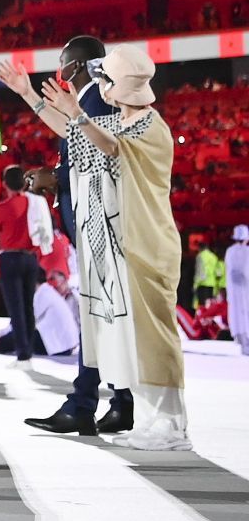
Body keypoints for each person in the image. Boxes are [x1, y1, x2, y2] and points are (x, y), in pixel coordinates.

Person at [25, 48, 186, 448]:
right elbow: (84, 143)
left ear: (120, 87)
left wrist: (76, 114)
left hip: (146, 244)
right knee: (138, 339)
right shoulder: (130, 120)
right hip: (128, 246)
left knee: (155, 338)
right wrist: (45, 105)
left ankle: (170, 424)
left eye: (107, 80)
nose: (102, 86)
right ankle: (153, 420)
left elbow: (110, 148)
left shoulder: (148, 127)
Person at [0, 40, 135, 434]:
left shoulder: (95, 97)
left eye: (61, 65)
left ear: (74, 66)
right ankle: (116, 400)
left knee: (98, 315)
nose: (57, 72)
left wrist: (57, 177)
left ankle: (85, 403)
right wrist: (28, 96)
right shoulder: (93, 97)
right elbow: (75, 136)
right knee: (102, 316)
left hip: (97, 224)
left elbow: (93, 153)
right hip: (95, 220)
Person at [0, 167, 45, 367]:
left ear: (4, 184)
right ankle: (27, 350)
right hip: (30, 258)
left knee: (16, 308)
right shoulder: (34, 203)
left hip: (11, 260)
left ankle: (22, 354)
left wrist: (3, 234)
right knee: (28, 306)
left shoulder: (3, 207)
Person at [225, 225, 249, 356]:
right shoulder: (247, 251)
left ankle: (241, 341)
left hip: (234, 291)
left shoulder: (230, 251)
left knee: (237, 315)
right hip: (246, 289)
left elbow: (228, 272)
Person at [192, 236, 225, 306]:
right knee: (209, 305)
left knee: (202, 305)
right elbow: (218, 272)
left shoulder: (200, 256)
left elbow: (199, 271)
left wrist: (195, 284)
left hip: (202, 284)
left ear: (199, 248)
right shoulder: (214, 257)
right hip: (212, 284)